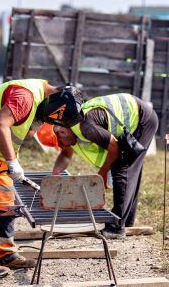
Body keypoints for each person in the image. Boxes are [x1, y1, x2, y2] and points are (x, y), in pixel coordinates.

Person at [0, 80, 83, 278]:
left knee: (5, 202)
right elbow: (0, 125)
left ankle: (6, 254)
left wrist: (39, 121)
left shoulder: (39, 102)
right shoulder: (25, 97)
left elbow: (26, 131)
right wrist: (12, 162)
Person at [38, 93, 159, 239]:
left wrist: (102, 173)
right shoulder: (70, 126)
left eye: (60, 143)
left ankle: (116, 228)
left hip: (142, 118)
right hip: (136, 114)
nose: (62, 146)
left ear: (61, 131)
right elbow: (65, 155)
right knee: (129, 169)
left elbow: (114, 148)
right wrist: (55, 175)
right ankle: (127, 221)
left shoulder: (85, 126)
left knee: (123, 168)